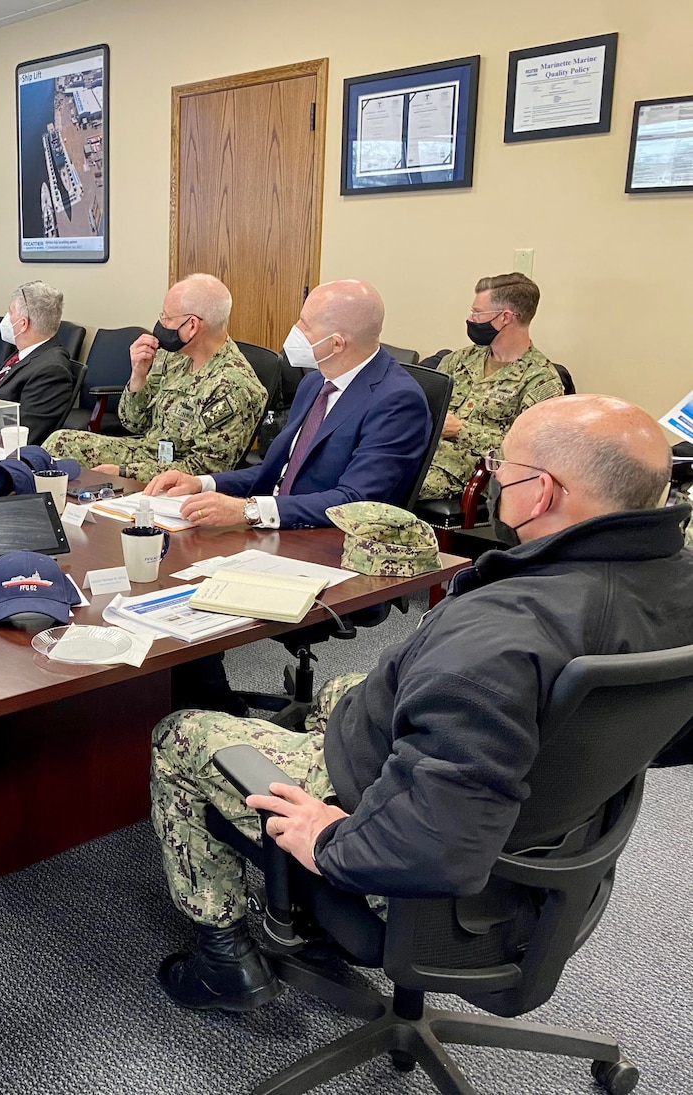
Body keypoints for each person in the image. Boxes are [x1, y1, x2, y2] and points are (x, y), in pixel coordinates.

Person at [148, 394, 692, 1013]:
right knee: (344, 689)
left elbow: (436, 841)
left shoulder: (496, 636)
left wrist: (331, 842)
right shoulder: (680, 583)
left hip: (410, 860)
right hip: (553, 823)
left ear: (540, 494)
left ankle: (224, 963)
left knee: (179, 736)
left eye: (501, 468)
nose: (492, 480)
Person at [144, 280, 432, 530]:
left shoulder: (397, 401)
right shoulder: (315, 382)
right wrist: (203, 483)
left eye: (304, 325)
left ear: (337, 344)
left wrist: (248, 511)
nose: (294, 329)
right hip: (279, 526)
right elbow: (281, 470)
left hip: (328, 542)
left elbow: (354, 502)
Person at [44, 275, 266, 480]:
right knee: (60, 443)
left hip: (178, 477)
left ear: (192, 326)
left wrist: (125, 472)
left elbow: (205, 471)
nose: (161, 324)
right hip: (146, 451)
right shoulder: (174, 357)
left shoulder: (233, 386)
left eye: (167, 317)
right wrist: (138, 374)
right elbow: (133, 423)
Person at [419, 273, 564, 500]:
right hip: (418, 457)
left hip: (465, 473)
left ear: (505, 317)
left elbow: (531, 451)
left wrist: (460, 430)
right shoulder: (459, 360)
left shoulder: (541, 380)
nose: (471, 318)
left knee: (382, 484)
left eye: (477, 313)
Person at [0, 281, 77, 446]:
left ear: (23, 324)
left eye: (10, 312)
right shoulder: (22, 355)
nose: (7, 319)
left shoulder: (51, 370)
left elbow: (21, 436)